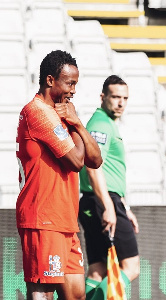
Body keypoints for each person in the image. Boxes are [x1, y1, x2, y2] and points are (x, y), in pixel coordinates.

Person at [16, 50, 102, 299]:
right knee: (42, 293)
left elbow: (95, 160)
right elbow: (77, 161)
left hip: (64, 220)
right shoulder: (38, 112)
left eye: (76, 83)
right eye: (70, 83)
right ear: (50, 80)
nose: (74, 90)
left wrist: (77, 123)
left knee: (76, 295)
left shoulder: (62, 115)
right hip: (43, 217)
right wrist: (72, 122)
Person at [78, 75, 140, 299]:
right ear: (103, 97)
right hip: (102, 201)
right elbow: (93, 168)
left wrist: (124, 206)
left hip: (95, 201)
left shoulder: (104, 123)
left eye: (125, 98)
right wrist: (109, 206)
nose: (121, 102)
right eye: (115, 97)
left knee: (97, 270)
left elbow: (108, 170)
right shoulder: (101, 125)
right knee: (131, 267)